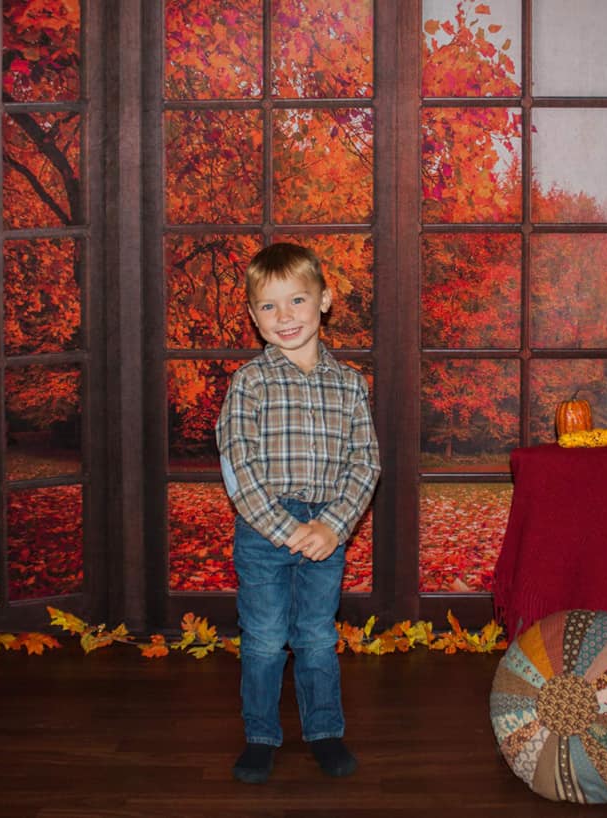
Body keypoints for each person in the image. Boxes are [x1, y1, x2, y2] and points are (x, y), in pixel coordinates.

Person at [215, 242, 381, 784]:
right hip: (266, 531)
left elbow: (366, 462)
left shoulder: (349, 384)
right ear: (252, 316)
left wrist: (333, 525)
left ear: (325, 302)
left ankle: (325, 731)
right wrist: (289, 530)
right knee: (263, 637)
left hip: (327, 529)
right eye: (269, 306)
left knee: (315, 636)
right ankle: (260, 735)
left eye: (297, 301)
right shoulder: (251, 384)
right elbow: (239, 467)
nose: (284, 317)